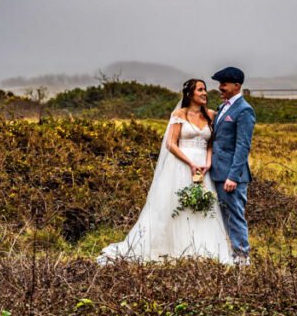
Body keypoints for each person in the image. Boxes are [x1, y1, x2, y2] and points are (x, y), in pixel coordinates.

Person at [97, 79, 234, 264]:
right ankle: (170, 247)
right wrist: (190, 162)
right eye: (200, 90)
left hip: (203, 168)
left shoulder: (211, 115)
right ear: (190, 94)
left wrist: (207, 163)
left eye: (205, 90)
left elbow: (210, 143)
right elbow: (171, 143)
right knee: (176, 204)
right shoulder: (179, 114)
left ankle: (202, 248)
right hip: (181, 165)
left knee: (202, 206)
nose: (205, 93)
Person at [209, 66, 255, 264]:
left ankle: (242, 256)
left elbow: (243, 146)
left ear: (237, 86)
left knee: (235, 214)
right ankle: (230, 252)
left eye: (224, 84)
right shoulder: (223, 107)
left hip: (231, 175)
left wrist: (233, 176)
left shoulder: (244, 110)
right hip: (217, 172)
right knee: (223, 215)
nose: (220, 88)